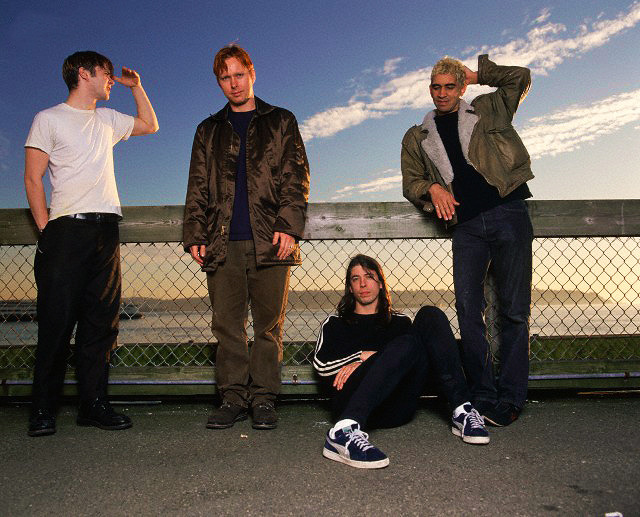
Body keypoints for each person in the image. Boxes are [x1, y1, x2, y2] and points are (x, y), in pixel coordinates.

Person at [24, 51, 159, 437]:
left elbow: (150, 124)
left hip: (106, 230)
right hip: (65, 231)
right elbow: (33, 178)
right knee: (56, 323)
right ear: (84, 74)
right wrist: (46, 230)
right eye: (107, 74)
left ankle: (93, 405)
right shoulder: (48, 119)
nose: (112, 80)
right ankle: (43, 409)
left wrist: (137, 87)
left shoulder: (108, 119)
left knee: (101, 324)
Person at [401, 54, 534, 426]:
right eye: (436, 87)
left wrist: (476, 75)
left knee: (514, 311)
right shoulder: (416, 136)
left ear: (460, 88)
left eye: (450, 86)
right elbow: (410, 181)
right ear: (430, 89)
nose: (442, 93)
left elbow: (520, 77)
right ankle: (483, 394)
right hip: (466, 226)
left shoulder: (488, 108)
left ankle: (511, 398)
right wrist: (431, 188)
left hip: (508, 212)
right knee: (468, 309)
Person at [183, 45, 310, 430]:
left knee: (269, 326)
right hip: (221, 241)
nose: (233, 84)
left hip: (271, 239)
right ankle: (233, 398)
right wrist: (195, 233)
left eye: (239, 75)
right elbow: (197, 185)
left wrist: (288, 226)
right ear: (218, 82)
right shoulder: (208, 129)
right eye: (225, 78)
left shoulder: (281, 120)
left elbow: (296, 176)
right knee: (227, 326)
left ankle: (264, 399)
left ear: (252, 74)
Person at [313, 254, 489, 469]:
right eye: (355, 279)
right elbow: (321, 367)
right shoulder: (334, 324)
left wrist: (374, 358)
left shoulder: (400, 323)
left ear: (380, 283)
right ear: (350, 287)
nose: (362, 284)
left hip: (397, 408)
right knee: (406, 343)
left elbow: (414, 362)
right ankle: (343, 432)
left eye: (369, 276)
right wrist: (359, 356)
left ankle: (462, 409)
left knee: (430, 315)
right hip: (350, 405)